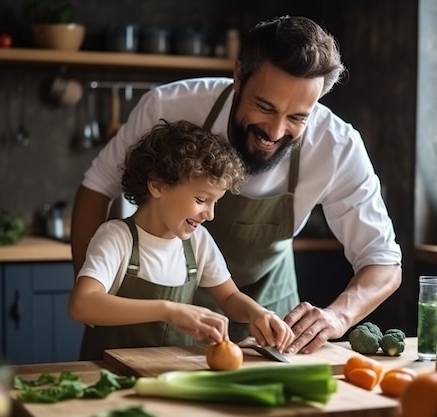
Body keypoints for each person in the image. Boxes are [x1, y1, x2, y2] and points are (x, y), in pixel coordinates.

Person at [70, 15, 402, 354]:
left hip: (267, 312)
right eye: (264, 107)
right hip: (145, 317)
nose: (274, 132)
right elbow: (97, 187)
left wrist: (338, 317)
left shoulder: (337, 146)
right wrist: (96, 290)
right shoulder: (170, 107)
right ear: (239, 76)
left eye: (297, 117)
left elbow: (383, 260)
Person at [69, 120, 295, 359]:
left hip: (167, 376)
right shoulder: (117, 237)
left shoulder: (198, 242)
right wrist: (169, 311)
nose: (210, 214)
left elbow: (229, 297)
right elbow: (82, 304)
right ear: (158, 185)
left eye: (214, 202)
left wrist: (256, 313)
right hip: (110, 379)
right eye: (200, 200)